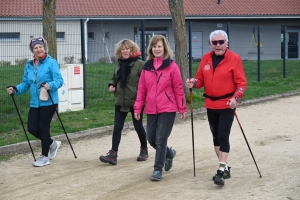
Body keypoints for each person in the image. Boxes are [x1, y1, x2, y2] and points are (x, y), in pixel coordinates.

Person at [186, 30, 247, 186]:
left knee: (223, 135)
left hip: (227, 104)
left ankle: (220, 171)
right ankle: (225, 167)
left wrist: (236, 98)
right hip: (210, 104)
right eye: (215, 42)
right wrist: (194, 82)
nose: (218, 45)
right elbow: (200, 79)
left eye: (221, 42)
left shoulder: (234, 59)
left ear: (227, 42)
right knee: (216, 137)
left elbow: (241, 83)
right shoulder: (206, 58)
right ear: (210, 44)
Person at [134, 35, 187, 181]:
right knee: (151, 139)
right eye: (154, 46)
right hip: (151, 109)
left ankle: (157, 169)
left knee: (161, 139)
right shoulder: (147, 67)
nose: (157, 49)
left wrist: (182, 108)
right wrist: (137, 108)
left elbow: (178, 88)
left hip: (168, 108)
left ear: (165, 48)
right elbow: (141, 90)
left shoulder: (172, 66)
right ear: (151, 48)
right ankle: (169, 153)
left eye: (159, 46)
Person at [6, 37, 63, 167]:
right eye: (35, 47)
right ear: (33, 50)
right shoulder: (29, 65)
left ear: (44, 47)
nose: (38, 49)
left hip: (49, 101)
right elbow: (26, 83)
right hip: (35, 102)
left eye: (40, 46)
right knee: (32, 128)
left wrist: (50, 85)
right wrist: (15, 89)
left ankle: (44, 157)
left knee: (43, 127)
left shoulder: (51, 62)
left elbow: (59, 81)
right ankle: (52, 144)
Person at [99, 39, 148, 165]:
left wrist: (142, 99)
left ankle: (144, 149)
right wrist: (112, 85)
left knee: (138, 126)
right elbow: (114, 77)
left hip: (136, 101)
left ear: (132, 50)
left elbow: (145, 83)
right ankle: (113, 154)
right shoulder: (119, 63)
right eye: (122, 49)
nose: (125, 51)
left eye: (127, 48)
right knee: (117, 127)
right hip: (121, 100)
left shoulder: (140, 64)